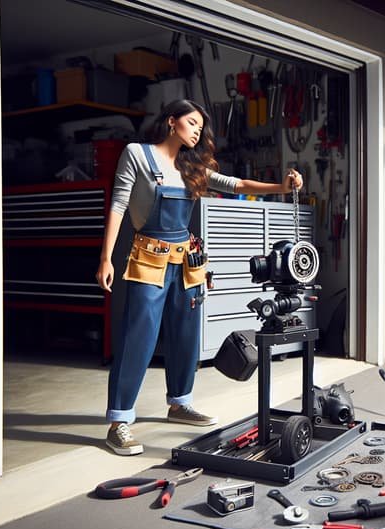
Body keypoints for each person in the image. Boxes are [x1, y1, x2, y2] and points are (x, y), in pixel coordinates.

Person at [96, 99, 303, 456]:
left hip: (189, 262)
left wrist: (282, 188)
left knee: (186, 336)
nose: (196, 131)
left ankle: (179, 403)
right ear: (171, 121)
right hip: (148, 258)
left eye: (199, 127)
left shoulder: (194, 167)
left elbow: (237, 184)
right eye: (191, 123)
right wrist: (106, 258)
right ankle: (119, 422)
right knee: (138, 339)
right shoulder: (137, 155)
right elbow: (117, 204)